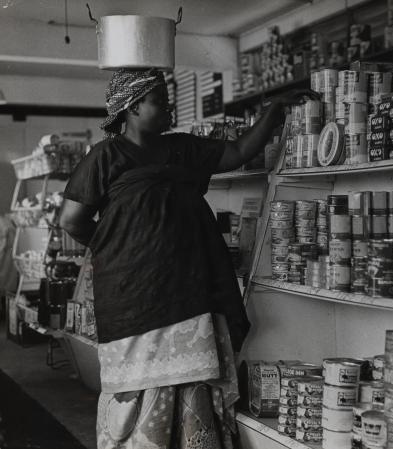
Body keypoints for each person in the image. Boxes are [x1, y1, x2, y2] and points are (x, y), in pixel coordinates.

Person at [60, 68, 317, 449]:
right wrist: (120, 246)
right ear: (131, 107)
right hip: (134, 297)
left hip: (189, 291)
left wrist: (274, 110)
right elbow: (72, 220)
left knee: (191, 386)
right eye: (159, 101)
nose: (168, 108)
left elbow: (239, 151)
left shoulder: (182, 149)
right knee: (137, 392)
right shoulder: (106, 156)